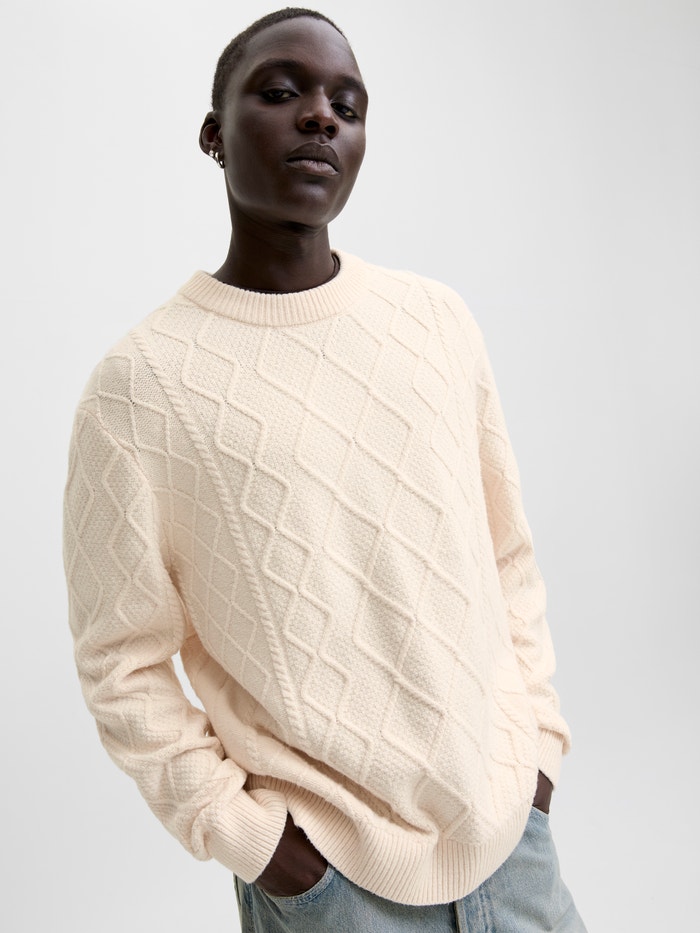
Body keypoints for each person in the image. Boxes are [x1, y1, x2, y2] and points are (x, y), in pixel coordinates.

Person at [63, 8, 586, 931]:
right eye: (281, 92)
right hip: (330, 886)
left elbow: (507, 555)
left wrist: (536, 749)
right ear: (213, 135)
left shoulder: (436, 322)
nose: (320, 117)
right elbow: (120, 659)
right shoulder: (141, 386)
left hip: (514, 847)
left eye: (347, 105)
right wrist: (256, 841)